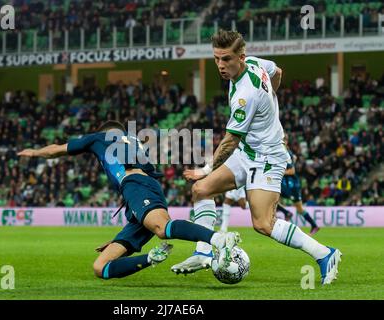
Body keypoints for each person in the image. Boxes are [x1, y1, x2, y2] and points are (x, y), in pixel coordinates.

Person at [171, 29, 341, 285]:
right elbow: (278, 72)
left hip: (267, 157)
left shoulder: (245, 95)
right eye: (216, 58)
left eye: (226, 59)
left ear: (241, 56)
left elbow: (230, 140)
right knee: (201, 191)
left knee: (263, 224)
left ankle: (325, 254)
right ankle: (204, 253)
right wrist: (271, 100)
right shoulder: (255, 63)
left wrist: (206, 168)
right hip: (248, 151)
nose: (220, 65)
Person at [17, 120, 239, 280]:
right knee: (100, 267)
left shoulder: (99, 138)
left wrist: (35, 153)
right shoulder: (135, 144)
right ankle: (150, 258)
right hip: (141, 194)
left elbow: (57, 150)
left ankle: (218, 239)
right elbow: (149, 181)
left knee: (161, 228)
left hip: (135, 186)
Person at [276, 137, 320, 235]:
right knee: (272, 198)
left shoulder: (286, 153)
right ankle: (313, 225)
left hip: (291, 184)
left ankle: (287, 213)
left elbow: (292, 171)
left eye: (283, 140)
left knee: (299, 208)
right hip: (287, 182)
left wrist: (278, 172)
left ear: (286, 142)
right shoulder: (282, 152)